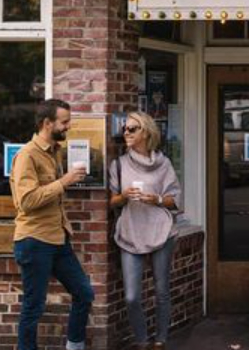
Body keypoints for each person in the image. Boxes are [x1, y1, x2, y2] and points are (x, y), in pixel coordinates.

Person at [10, 98, 94, 350]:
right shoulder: (27, 155)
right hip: (34, 240)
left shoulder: (55, 151)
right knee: (34, 306)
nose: (69, 126)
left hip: (58, 238)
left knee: (84, 293)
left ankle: (74, 346)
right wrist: (64, 181)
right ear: (47, 123)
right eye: (64, 122)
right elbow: (27, 201)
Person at [109, 112, 182, 350]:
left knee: (161, 291)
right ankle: (141, 341)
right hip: (131, 231)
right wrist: (123, 196)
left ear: (146, 132)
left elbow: (175, 199)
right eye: (125, 129)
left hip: (161, 230)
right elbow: (111, 201)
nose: (126, 133)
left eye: (132, 129)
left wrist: (156, 199)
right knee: (131, 296)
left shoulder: (164, 163)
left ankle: (160, 340)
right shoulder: (118, 165)